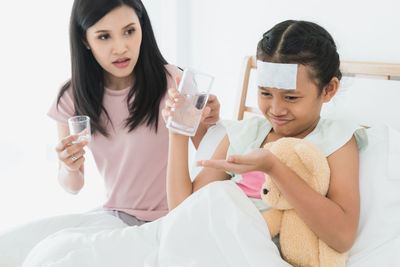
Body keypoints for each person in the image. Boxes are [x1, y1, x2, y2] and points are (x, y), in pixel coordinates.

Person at [0, 0, 219, 266]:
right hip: (115, 219)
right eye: (104, 36)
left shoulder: (173, 83)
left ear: (143, 29)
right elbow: (73, 186)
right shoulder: (72, 97)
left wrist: (209, 121)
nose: (120, 47)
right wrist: (69, 166)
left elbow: (210, 156)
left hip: (170, 220)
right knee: (23, 247)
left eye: (129, 31)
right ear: (85, 40)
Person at [165, 19, 367, 257]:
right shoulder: (246, 133)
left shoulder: (337, 139)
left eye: (291, 98)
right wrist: (178, 130)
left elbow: (342, 237)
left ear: (328, 90)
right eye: (265, 93)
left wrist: (274, 168)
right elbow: (183, 214)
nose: (276, 109)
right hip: (218, 247)